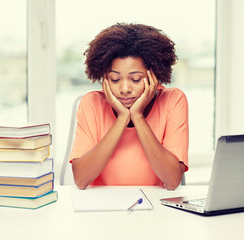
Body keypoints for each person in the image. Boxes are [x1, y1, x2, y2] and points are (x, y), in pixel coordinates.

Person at [69, 23, 189, 190]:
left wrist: (138, 116)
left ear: (154, 75)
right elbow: (81, 180)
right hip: (102, 208)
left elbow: (172, 181)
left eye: (136, 79)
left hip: (156, 208)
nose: (125, 89)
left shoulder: (173, 100)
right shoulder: (92, 103)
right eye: (115, 79)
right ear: (104, 78)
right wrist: (122, 117)